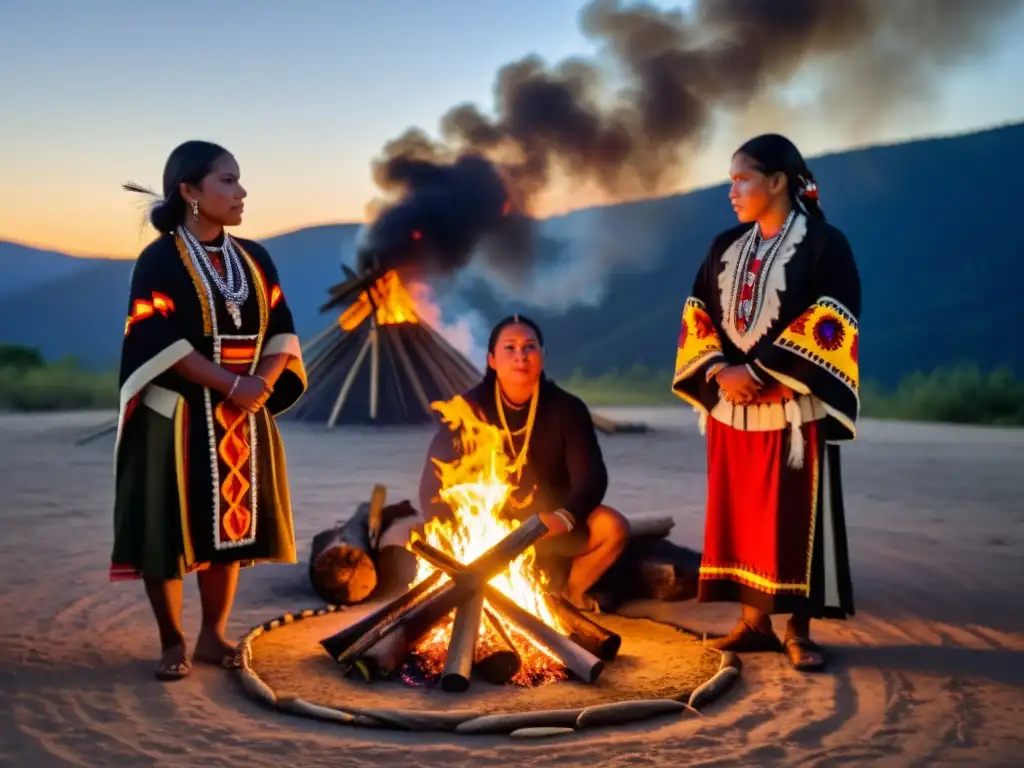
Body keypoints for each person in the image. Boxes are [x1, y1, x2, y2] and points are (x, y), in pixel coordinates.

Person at [110, 140, 308, 681]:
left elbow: (282, 327)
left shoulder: (255, 259)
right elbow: (154, 334)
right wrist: (229, 384)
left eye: (240, 180)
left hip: (241, 414)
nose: (241, 192)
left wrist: (259, 386)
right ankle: (172, 639)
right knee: (168, 528)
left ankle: (212, 634)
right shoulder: (159, 259)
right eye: (227, 180)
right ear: (190, 192)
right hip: (174, 414)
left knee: (231, 529)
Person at [671, 133, 860, 672]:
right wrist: (717, 371)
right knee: (743, 516)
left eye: (742, 178)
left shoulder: (826, 245)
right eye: (730, 180)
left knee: (794, 517)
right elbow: (696, 313)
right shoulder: (726, 246)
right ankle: (754, 623)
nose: (731, 190)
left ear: (777, 182)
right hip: (733, 409)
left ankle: (798, 630)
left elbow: (832, 319)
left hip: (793, 410)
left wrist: (757, 371)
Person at [418, 315, 630, 611]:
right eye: (510, 348)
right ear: (492, 359)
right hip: (489, 531)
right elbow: (432, 483)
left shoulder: (567, 408)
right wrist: (456, 532)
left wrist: (565, 515)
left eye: (530, 347)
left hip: (549, 527)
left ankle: (570, 594)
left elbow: (591, 477)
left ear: (542, 356)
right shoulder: (466, 410)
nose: (521, 356)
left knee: (612, 527)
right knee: (414, 535)